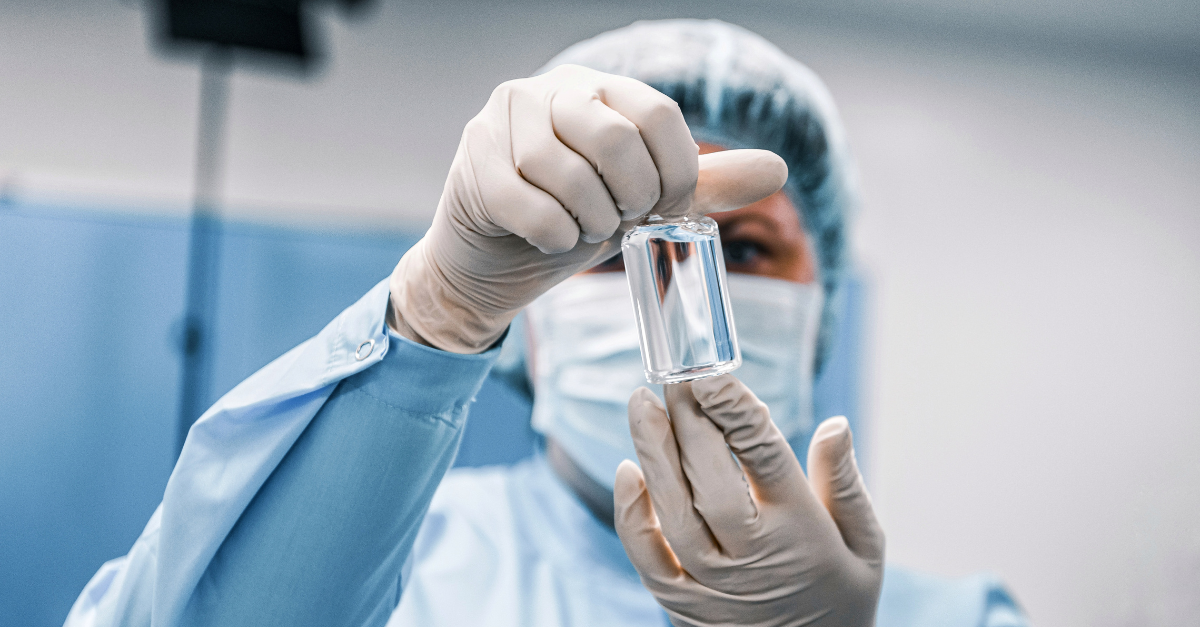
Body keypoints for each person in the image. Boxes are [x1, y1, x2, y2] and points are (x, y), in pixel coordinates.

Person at [65, 18, 1028, 627]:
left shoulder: (957, 616)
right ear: (531, 324)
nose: (690, 292)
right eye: (616, 251)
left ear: (823, 311)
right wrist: (439, 309)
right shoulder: (407, 571)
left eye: (752, 251)